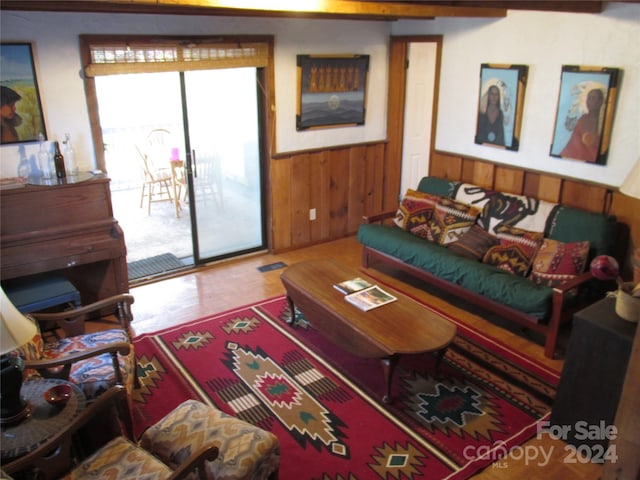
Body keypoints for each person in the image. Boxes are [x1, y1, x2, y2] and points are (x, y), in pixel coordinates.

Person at [560, 88, 604, 163]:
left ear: (600, 102)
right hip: (574, 159)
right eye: (589, 98)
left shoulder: (602, 121)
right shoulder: (583, 118)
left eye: (593, 98)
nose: (589, 101)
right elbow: (573, 143)